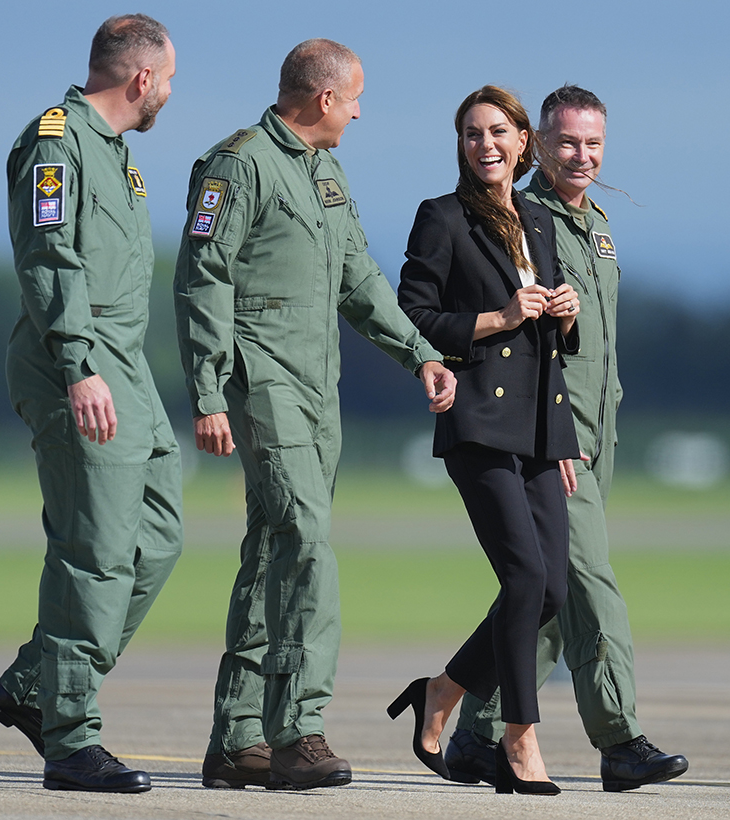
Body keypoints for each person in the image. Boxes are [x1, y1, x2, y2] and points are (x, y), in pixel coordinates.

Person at [174, 39, 456, 792]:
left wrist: (419, 351)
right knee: (306, 539)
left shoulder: (325, 169)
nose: (361, 111)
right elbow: (202, 279)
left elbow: (358, 276)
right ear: (324, 98)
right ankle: (298, 729)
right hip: (262, 380)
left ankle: (236, 739)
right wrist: (206, 392)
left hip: (317, 388)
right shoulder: (238, 165)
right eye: (355, 97)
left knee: (271, 548)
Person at [444, 85, 689, 792]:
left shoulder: (597, 226)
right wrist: (554, 439)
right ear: (535, 144)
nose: (581, 156)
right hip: (552, 435)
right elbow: (518, 342)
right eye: (566, 142)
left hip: (599, 433)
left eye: (593, 144)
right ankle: (620, 740)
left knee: (546, 595)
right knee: (589, 583)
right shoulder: (521, 221)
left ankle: (477, 733)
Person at [0, 15, 182, 794]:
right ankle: (70, 737)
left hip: (123, 364)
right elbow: (48, 256)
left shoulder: (115, 153)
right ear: (143, 79)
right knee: (93, 552)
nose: (169, 93)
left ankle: (36, 682)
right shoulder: (56, 143)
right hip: (78, 361)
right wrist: (77, 365)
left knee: (156, 538)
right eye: (169, 79)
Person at [392, 86, 581, 795]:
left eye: (498, 131)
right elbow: (416, 314)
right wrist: (498, 318)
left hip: (538, 425)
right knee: (525, 579)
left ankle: (442, 690)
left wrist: (566, 314)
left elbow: (556, 340)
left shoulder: (539, 219)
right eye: (472, 133)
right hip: (476, 419)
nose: (485, 144)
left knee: (553, 591)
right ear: (461, 145)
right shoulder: (440, 217)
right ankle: (519, 739)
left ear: (522, 140)